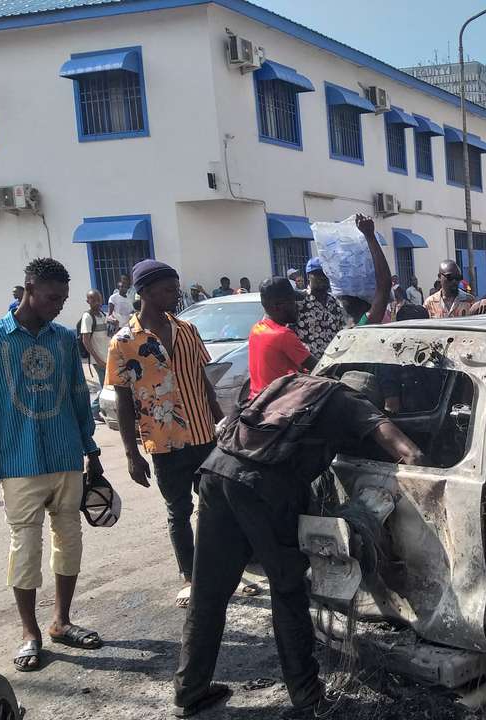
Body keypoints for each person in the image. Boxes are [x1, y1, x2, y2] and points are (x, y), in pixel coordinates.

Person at [173, 370, 423, 719]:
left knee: (208, 590)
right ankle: (306, 694)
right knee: (288, 588)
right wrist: (421, 488)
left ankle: (191, 690)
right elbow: (406, 451)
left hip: (217, 471)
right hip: (263, 486)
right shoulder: (350, 402)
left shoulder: (291, 382)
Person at [0, 258, 104, 672]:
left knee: (70, 538)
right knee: (24, 546)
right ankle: (30, 632)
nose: (58, 306)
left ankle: (62, 621)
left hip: (66, 457)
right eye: (51, 297)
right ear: (28, 288)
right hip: (17, 462)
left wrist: (91, 451)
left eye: (63, 299)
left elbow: (81, 398)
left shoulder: (64, 339)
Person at [107, 260, 225, 608]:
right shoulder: (124, 342)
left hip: (205, 434)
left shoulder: (188, 329)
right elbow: (123, 401)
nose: (175, 294)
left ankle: (219, 571)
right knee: (178, 510)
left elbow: (203, 380)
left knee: (215, 507)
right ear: (143, 292)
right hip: (165, 440)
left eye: (175, 288)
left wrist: (221, 422)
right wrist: (131, 454)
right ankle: (190, 578)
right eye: (167, 289)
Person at [248, 278, 316, 399]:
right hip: (278, 404)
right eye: (292, 302)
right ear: (277, 306)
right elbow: (317, 366)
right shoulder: (283, 334)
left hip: (256, 401)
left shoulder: (256, 329)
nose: (297, 306)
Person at [294, 257, 347, 357]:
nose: (323, 277)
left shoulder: (335, 303)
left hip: (332, 363)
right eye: (318, 274)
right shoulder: (299, 301)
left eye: (326, 274)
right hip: (308, 366)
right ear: (308, 276)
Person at [78, 289, 110, 422]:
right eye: (93, 299)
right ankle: (94, 410)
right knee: (105, 386)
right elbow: (86, 340)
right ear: (88, 301)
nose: (97, 302)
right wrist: (97, 359)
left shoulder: (103, 315)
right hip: (98, 360)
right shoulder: (87, 317)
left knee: (108, 386)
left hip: (107, 357)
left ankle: (97, 410)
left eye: (99, 299)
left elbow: (107, 335)